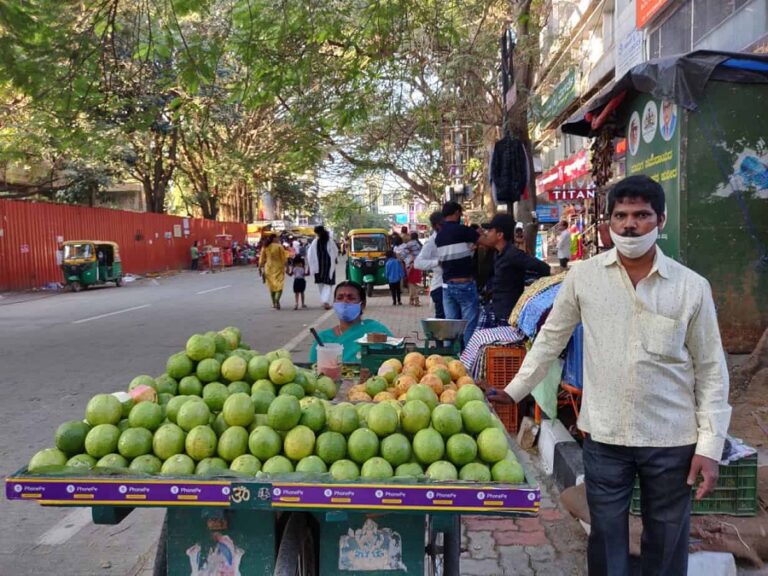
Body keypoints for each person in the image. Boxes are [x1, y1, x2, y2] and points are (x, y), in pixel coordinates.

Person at [496, 175, 731, 576]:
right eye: (620, 215)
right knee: (605, 539)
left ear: (662, 219)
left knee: (667, 537)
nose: (629, 225)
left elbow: (711, 370)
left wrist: (710, 446)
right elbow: (550, 341)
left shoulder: (691, 288)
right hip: (605, 435)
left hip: (671, 438)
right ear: (607, 223)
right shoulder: (584, 278)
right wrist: (514, 392)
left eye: (641, 215)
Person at [480, 214, 551, 325]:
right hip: (495, 311)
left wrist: (534, 289)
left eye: (490, 231)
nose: (487, 233)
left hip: (508, 315)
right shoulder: (497, 254)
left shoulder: (513, 254)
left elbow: (543, 268)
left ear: (499, 235)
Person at [309, 281, 393, 364]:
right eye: (340, 298)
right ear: (334, 303)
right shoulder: (323, 338)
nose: (344, 301)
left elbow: (394, 362)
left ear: (362, 304)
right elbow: (312, 370)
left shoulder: (377, 331)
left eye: (351, 298)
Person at [435, 201, 480, 346]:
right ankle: (468, 360)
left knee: (450, 327)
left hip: (447, 286)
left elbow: (442, 262)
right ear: (456, 213)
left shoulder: (439, 237)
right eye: (460, 213)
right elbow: (487, 242)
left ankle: (450, 359)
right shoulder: (463, 231)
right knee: (469, 326)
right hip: (464, 284)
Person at [415, 211, 446, 318]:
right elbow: (418, 263)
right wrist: (437, 262)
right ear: (437, 225)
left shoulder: (451, 237)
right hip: (440, 287)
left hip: (453, 287)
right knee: (443, 322)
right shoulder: (431, 242)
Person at [307, 225, 339, 310]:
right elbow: (335, 251)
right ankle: (325, 301)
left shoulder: (327, 241)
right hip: (322, 265)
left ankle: (325, 301)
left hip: (324, 265)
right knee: (325, 284)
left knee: (325, 284)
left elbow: (310, 254)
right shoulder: (317, 241)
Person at [258, 234, 288, 309]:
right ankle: (277, 300)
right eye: (277, 238)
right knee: (279, 286)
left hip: (268, 268)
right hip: (279, 268)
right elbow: (284, 258)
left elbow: (261, 259)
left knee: (271, 287)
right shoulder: (279, 246)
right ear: (274, 238)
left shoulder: (265, 246)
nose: (278, 239)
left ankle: (274, 303)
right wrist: (287, 267)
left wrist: (260, 268)